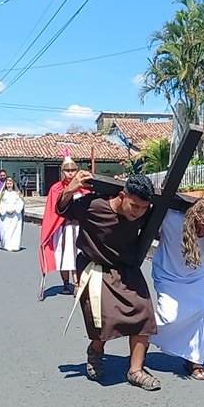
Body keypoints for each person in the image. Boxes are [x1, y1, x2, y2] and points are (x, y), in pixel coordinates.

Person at [58, 172, 161, 390]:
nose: (138, 212)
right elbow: (62, 210)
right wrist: (69, 190)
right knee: (104, 319)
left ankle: (136, 370)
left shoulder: (143, 214)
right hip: (96, 268)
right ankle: (96, 350)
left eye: (143, 208)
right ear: (122, 196)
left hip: (127, 269)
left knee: (144, 314)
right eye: (134, 206)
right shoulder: (93, 206)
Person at [150, 198, 204, 380]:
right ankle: (142, 337)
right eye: (200, 226)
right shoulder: (172, 219)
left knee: (202, 311)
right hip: (168, 274)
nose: (202, 231)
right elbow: (159, 207)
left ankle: (194, 359)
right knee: (168, 315)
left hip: (196, 278)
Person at [39, 150, 89, 299]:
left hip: (79, 228)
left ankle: (77, 283)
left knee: (78, 256)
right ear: (62, 172)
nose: (70, 173)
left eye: (73, 170)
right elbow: (52, 211)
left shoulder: (84, 188)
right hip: (63, 228)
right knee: (64, 257)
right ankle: (66, 283)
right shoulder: (56, 189)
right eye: (67, 170)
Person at [0, 177, 24, 252]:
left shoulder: (17, 193)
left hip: (15, 215)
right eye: (8, 184)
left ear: (13, 184)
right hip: (5, 215)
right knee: (6, 231)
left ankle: (15, 246)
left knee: (15, 231)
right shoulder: (3, 194)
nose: (9, 185)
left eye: (10, 183)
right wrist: (6, 210)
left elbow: (21, 203)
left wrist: (15, 209)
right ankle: (6, 245)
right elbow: (0, 204)